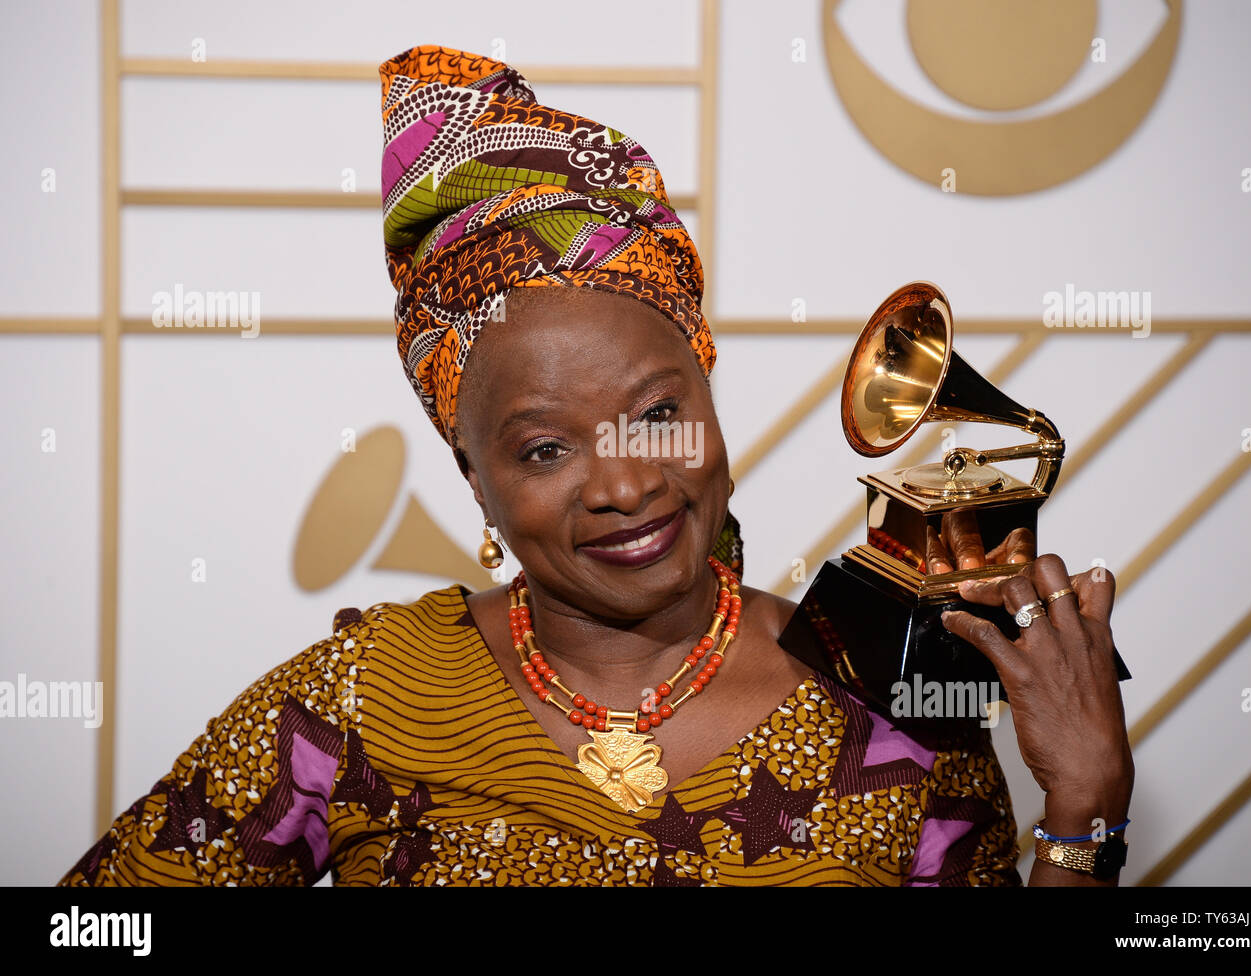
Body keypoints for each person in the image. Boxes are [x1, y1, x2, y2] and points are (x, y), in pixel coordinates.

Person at [57, 44, 1132, 887]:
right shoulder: (361, 697)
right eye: (542, 448)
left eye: (656, 412)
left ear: (709, 396)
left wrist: (1080, 815)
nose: (622, 483)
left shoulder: (885, 704)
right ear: (473, 477)